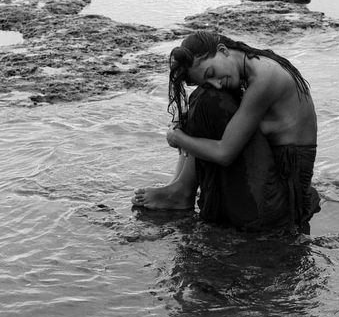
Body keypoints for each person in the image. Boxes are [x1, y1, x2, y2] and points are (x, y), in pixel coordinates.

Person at [132, 31, 319, 232]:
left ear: (222, 50)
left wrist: (178, 137)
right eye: (207, 80)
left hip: (280, 201)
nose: (217, 83)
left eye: (211, 74)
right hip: (268, 174)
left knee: (207, 102)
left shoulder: (266, 77)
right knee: (201, 98)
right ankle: (179, 187)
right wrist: (186, 121)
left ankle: (182, 191)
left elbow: (224, 153)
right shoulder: (247, 69)